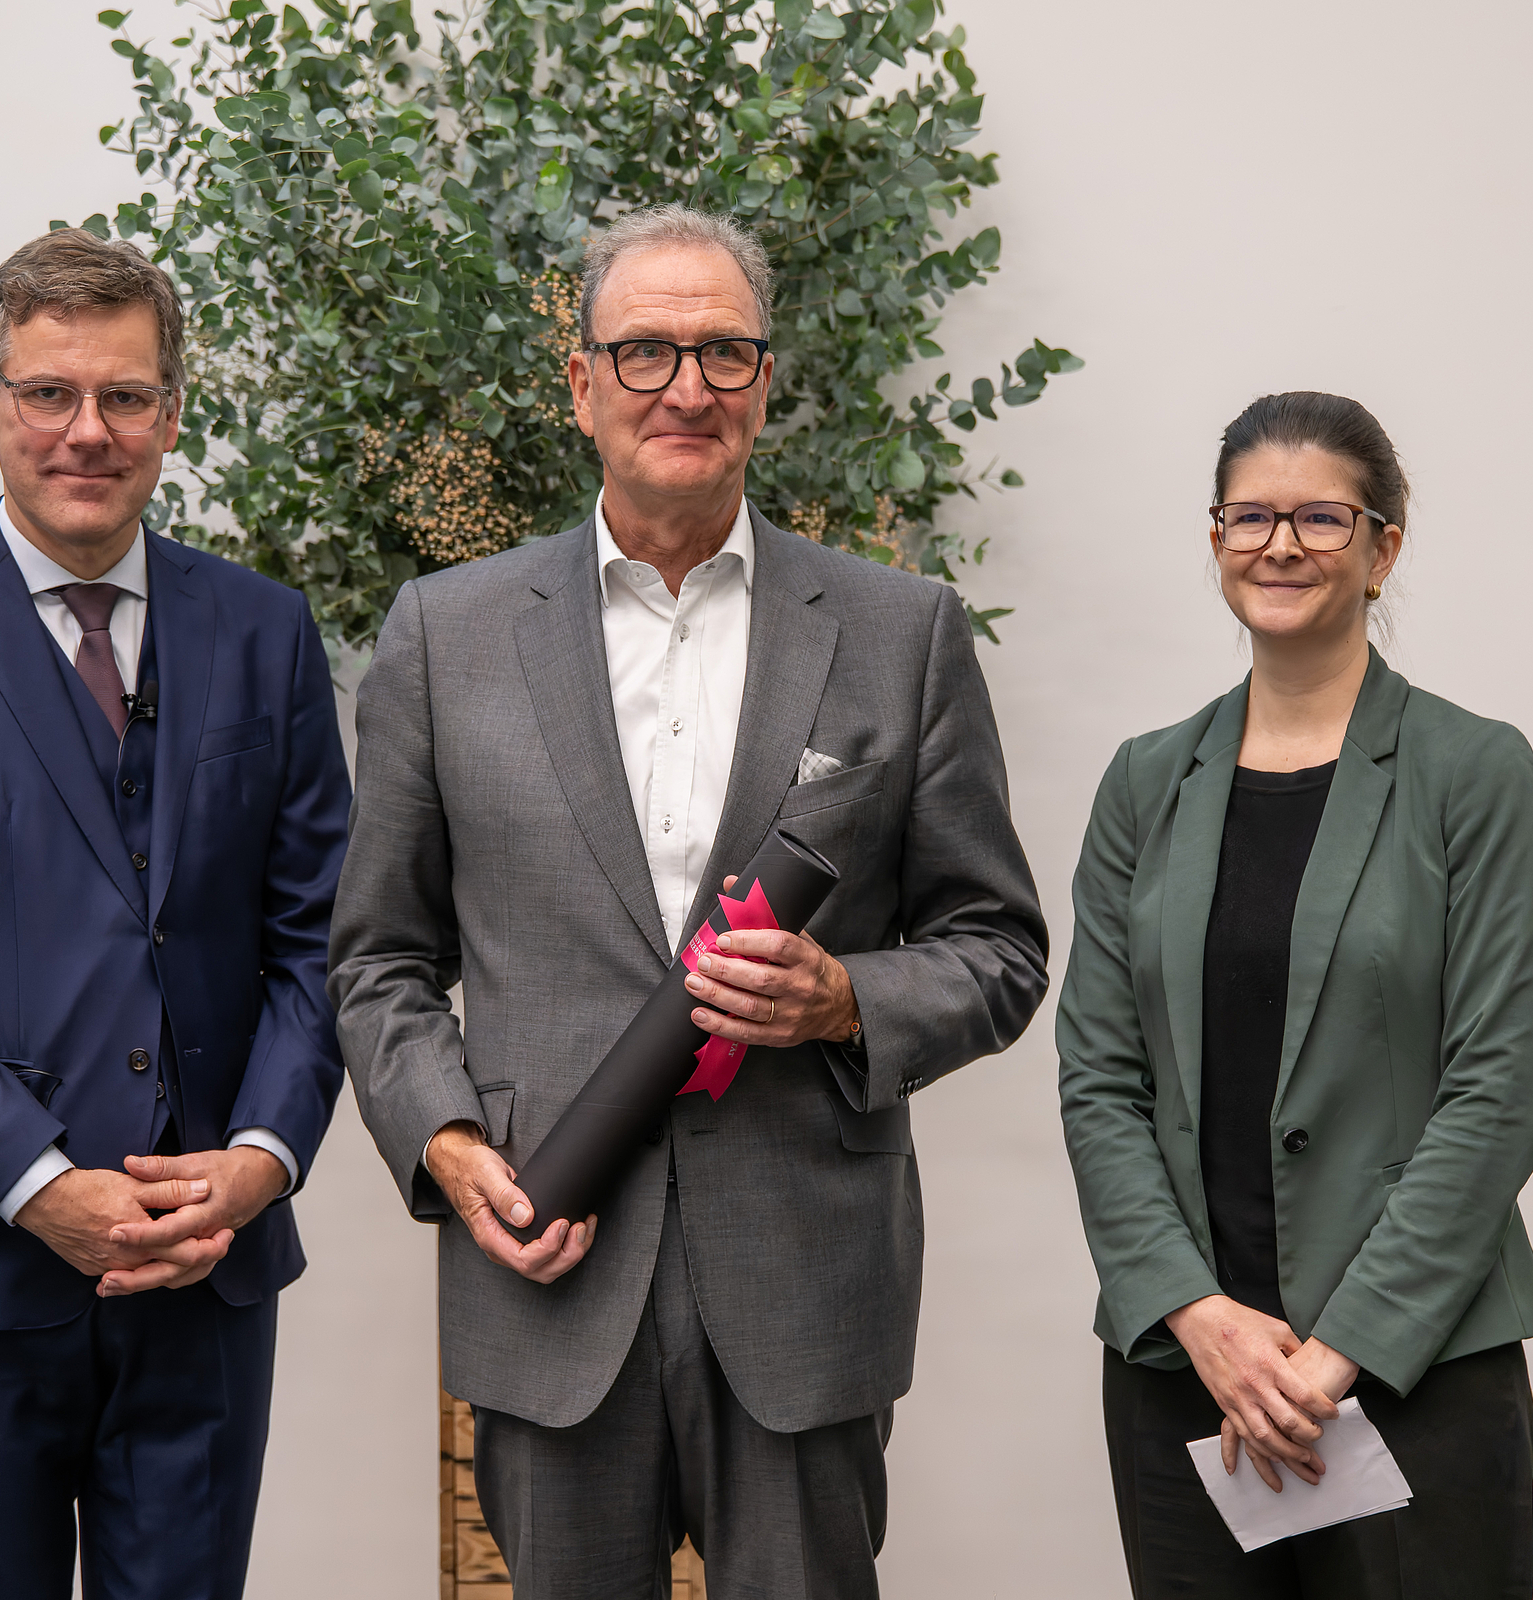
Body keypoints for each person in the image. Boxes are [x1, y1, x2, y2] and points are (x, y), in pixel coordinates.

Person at [329, 204, 1048, 1599]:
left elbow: (999, 948)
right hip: (548, 1255)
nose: (687, 387)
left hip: (802, 1276)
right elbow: (378, 962)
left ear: (765, 385)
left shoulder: (901, 633)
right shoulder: (444, 635)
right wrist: (448, 1144)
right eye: (645, 352)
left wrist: (845, 999)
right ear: (580, 382)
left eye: (724, 353)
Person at [0, 229, 350, 1600]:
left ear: (172, 413)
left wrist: (262, 1156)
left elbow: (325, 934)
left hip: (206, 1266)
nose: (88, 430)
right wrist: (39, 1186)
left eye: (126, 396)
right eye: (49, 393)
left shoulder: (266, 632)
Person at [1057, 392, 1533, 1596]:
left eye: (1322, 518)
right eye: (1252, 516)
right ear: (1217, 538)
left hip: (1414, 1370)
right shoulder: (1143, 783)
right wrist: (1197, 1313)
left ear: (1383, 548)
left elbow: (1494, 1093)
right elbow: (1100, 1082)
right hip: (1188, 1374)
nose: (1281, 544)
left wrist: (1335, 1355)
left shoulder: (1473, 771)